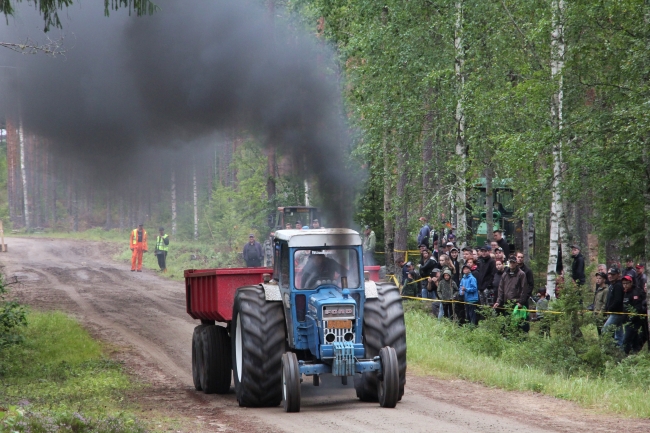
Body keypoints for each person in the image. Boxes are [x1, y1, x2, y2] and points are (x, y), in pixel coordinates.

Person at [621, 275, 647, 353]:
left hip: (634, 320)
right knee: (634, 339)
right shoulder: (626, 293)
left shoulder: (636, 292)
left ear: (631, 283)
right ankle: (635, 353)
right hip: (627, 320)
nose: (625, 285)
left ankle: (625, 355)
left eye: (627, 283)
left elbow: (637, 307)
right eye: (623, 283)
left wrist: (631, 317)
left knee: (626, 339)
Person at [602, 267, 625, 346]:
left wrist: (609, 308)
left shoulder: (618, 286)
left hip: (617, 313)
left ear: (618, 275)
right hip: (614, 312)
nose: (610, 276)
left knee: (605, 330)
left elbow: (618, 301)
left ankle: (607, 347)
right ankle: (620, 348)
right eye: (609, 274)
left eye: (612, 274)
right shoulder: (612, 285)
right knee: (619, 332)